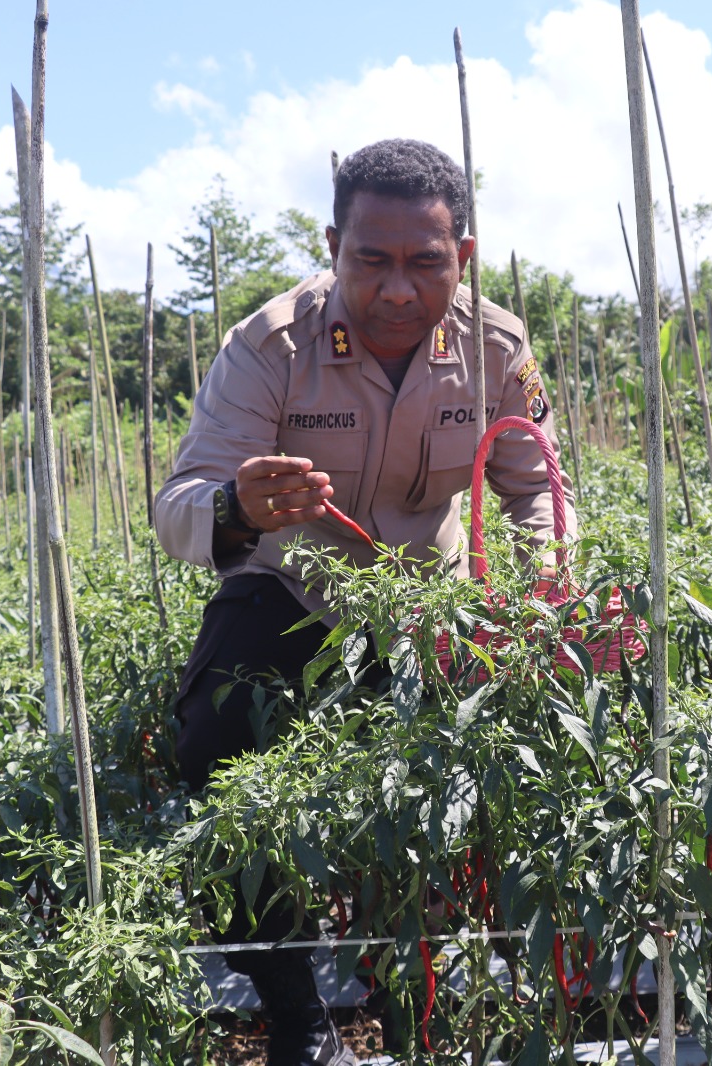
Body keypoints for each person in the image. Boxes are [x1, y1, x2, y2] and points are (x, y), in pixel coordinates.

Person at [153, 138, 574, 1065]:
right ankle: (299, 1018)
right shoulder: (269, 346)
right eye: (371, 261)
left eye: (427, 263)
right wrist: (236, 507)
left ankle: (410, 1003)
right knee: (215, 746)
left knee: (442, 788)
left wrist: (540, 590)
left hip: (427, 603)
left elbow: (539, 486)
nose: (397, 290)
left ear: (463, 256)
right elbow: (177, 505)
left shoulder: (497, 349)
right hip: (291, 591)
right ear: (333, 246)